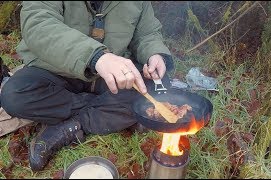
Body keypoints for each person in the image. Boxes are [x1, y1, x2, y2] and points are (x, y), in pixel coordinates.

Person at [0, 1, 174, 171]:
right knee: (15, 96)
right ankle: (112, 111)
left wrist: (155, 54)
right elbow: (39, 26)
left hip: (111, 76)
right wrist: (96, 57)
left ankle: (72, 125)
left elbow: (147, 34)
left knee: (159, 85)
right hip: (56, 70)